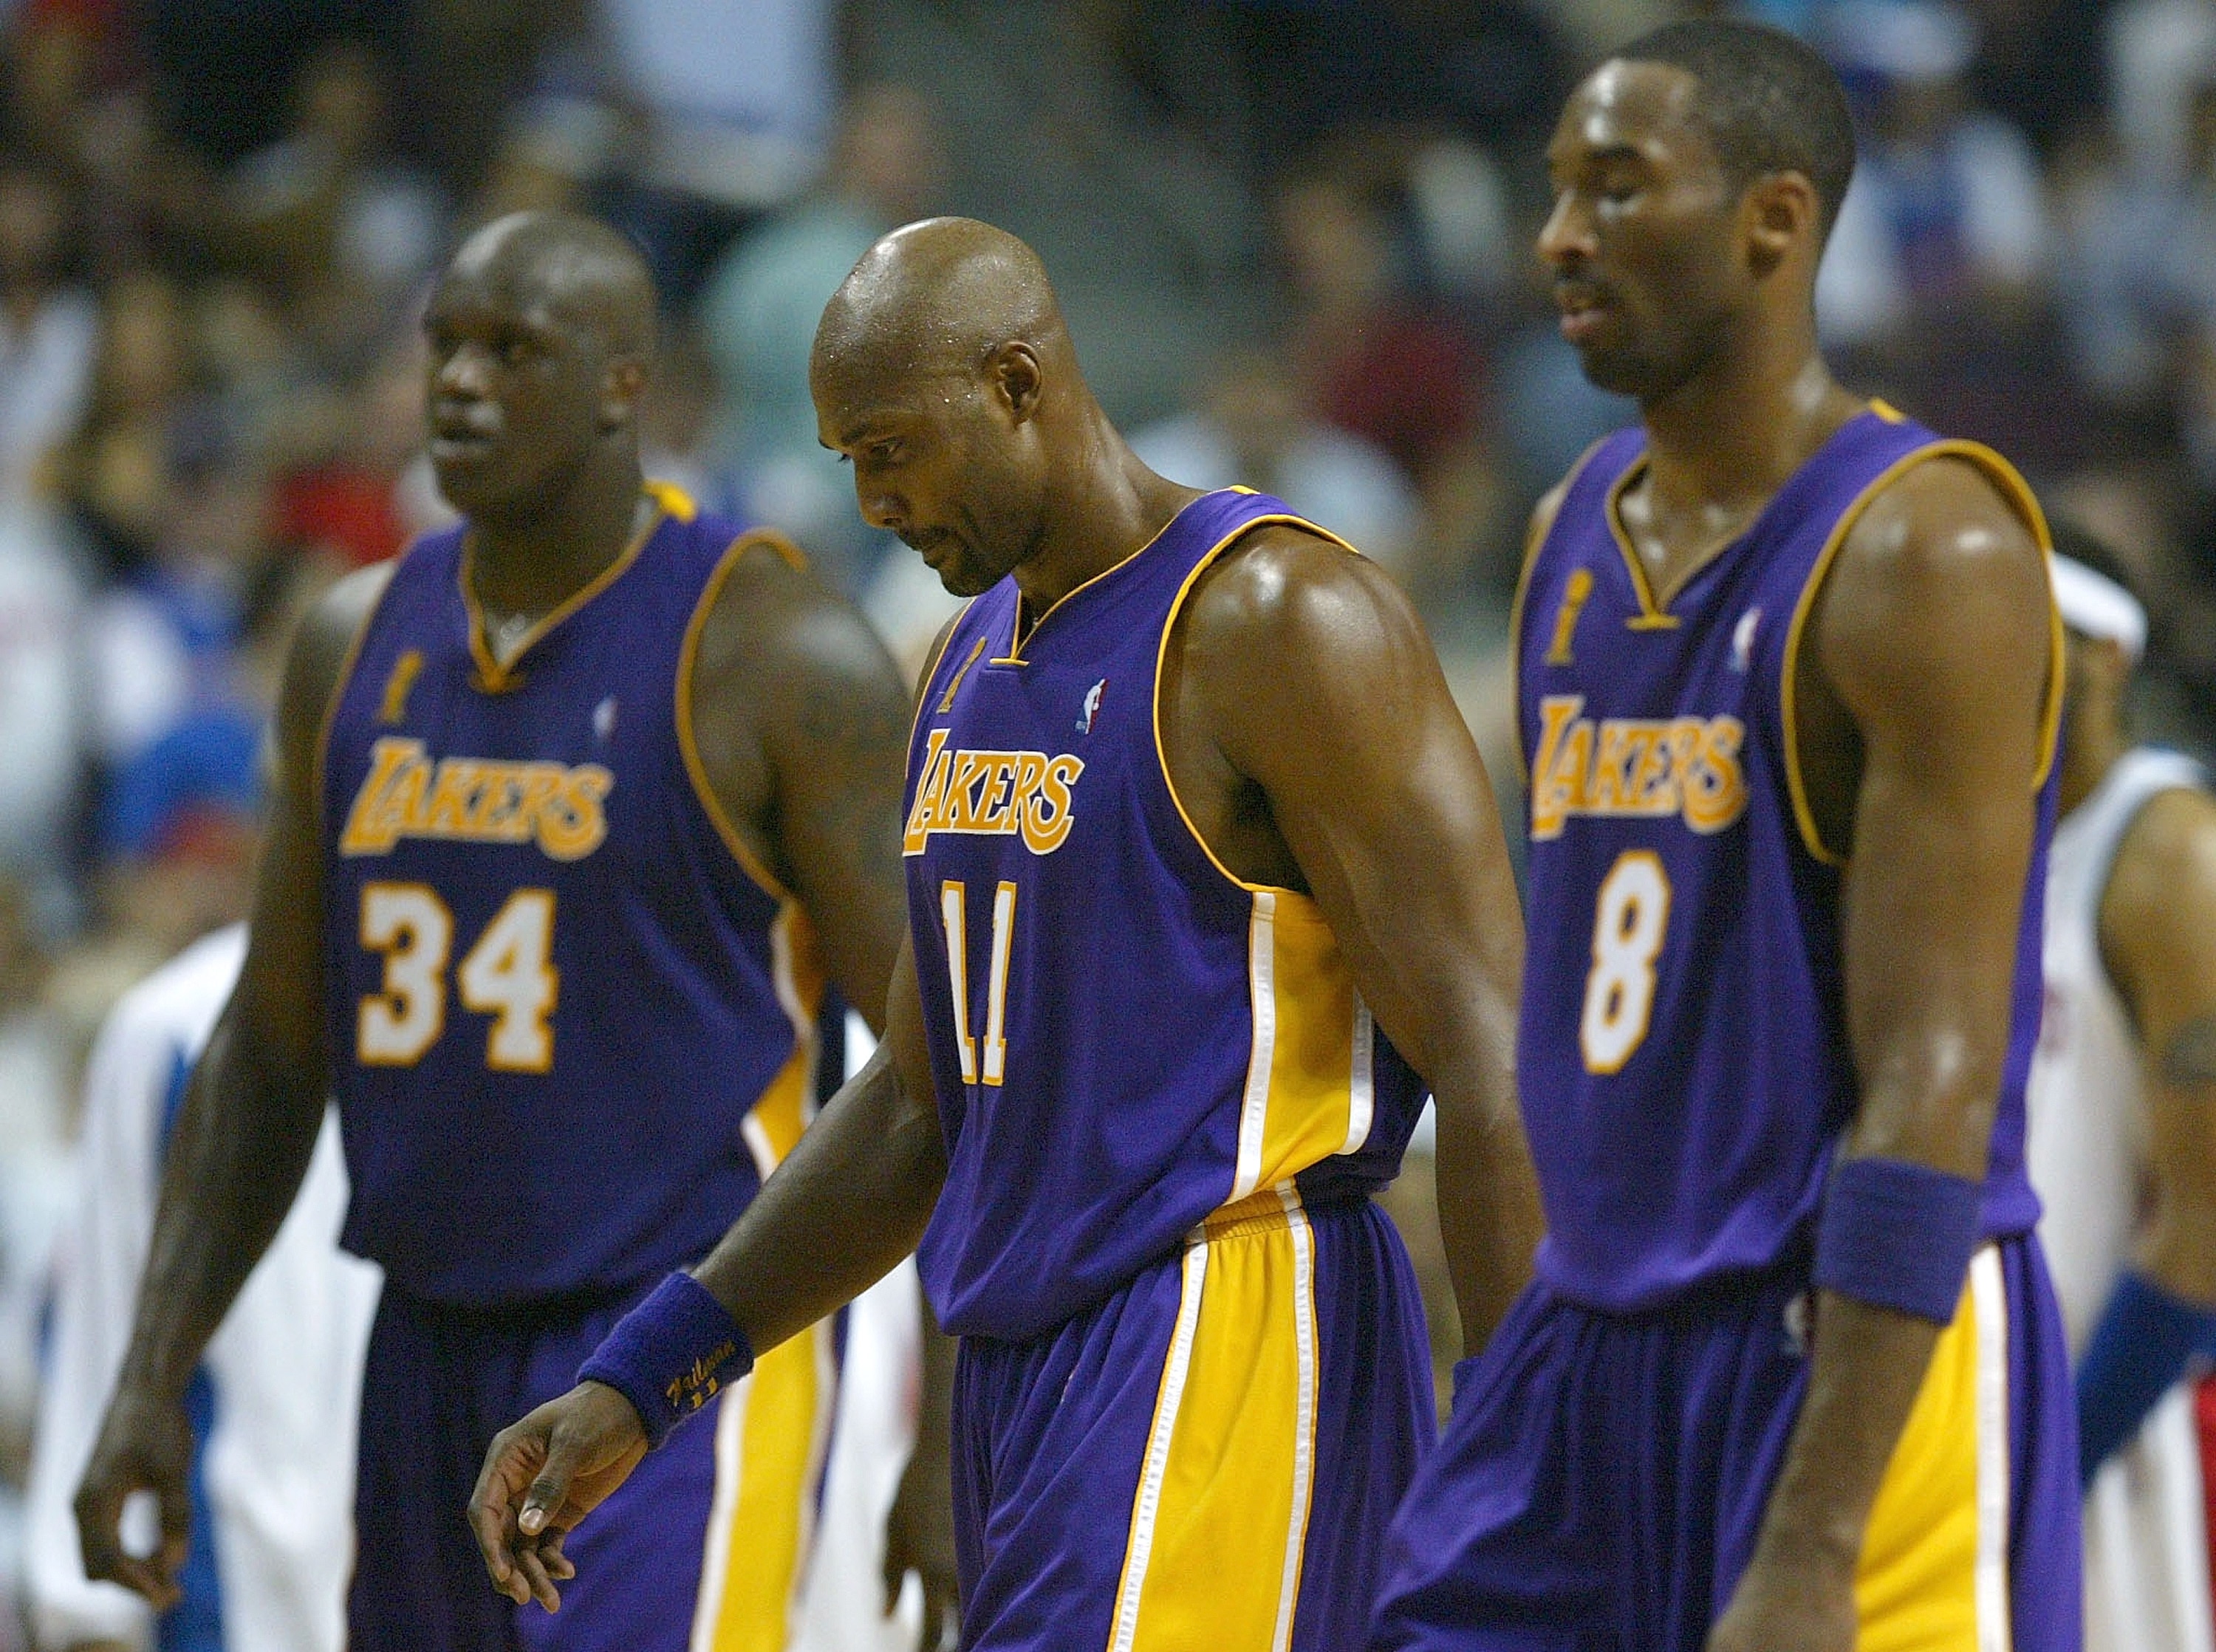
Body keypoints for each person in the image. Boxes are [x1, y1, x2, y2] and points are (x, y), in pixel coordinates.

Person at [469, 215, 1538, 1651]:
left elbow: (1493, 1047)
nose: (874, 498)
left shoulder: (1276, 618)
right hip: (1025, 1375)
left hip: (1230, 1325)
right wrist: (648, 1374)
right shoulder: (969, 655)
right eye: (848, 460)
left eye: (892, 448)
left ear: (1018, 384)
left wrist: (1524, 1458)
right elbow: (922, 1101)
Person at [69, 210, 947, 1652]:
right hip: (424, 1338)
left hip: (679, 1345)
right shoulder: (353, 642)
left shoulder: (774, 650)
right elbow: (269, 1051)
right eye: (445, 347)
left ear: (623, 383)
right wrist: (148, 1373)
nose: (461, 383)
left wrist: (951, 1436)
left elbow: (944, 1072)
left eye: (513, 350)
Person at [1372, 19, 2076, 1650]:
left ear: (1774, 220)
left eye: (1618, 188)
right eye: (1558, 190)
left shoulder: (1925, 550)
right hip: (1598, 1331)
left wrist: (1817, 1540)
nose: (1559, 236)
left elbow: (1938, 1079)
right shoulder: (1566, 531)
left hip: (1843, 1339)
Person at [27, 923, 381, 1652]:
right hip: (227, 1607)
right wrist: (89, 1615)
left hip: (437, 1582)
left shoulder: (501, 1008)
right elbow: (101, 1348)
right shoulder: (170, 1030)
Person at [2023, 527, 2216, 1652]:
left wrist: (2058, 1459)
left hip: (2148, 1411)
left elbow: (2204, 1226)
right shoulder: (1977, 841)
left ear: (2108, 655)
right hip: (2012, 1413)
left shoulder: (2171, 851)